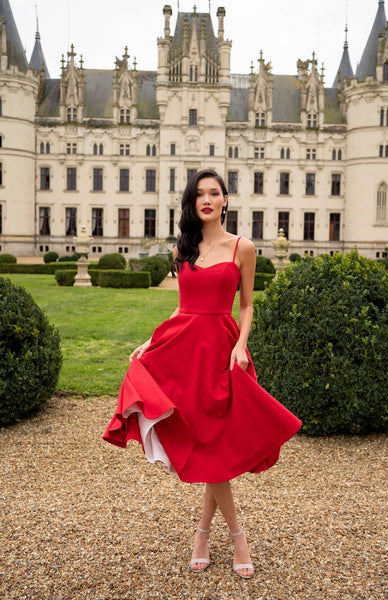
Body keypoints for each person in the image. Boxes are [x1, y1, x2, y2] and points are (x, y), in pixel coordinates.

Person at [103, 169, 301, 579]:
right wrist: (150, 341)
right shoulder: (183, 248)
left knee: (216, 447)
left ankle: (207, 535)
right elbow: (181, 308)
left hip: (222, 353)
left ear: (226, 200)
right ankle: (231, 536)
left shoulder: (242, 248)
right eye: (199, 194)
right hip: (183, 351)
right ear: (192, 202)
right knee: (208, 448)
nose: (207, 200)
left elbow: (245, 305)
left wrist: (241, 344)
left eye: (214, 193)